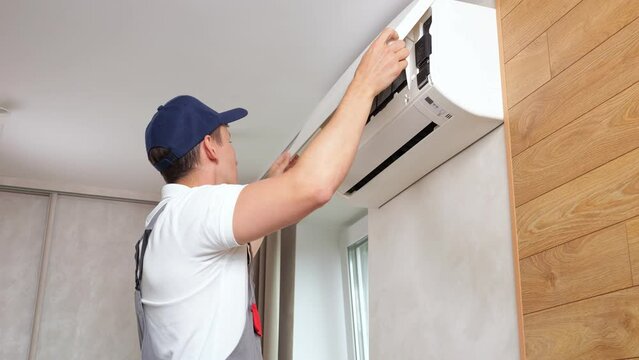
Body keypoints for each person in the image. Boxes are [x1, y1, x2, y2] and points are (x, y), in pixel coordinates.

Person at [134, 27, 409, 360]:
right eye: (230, 141)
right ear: (210, 147)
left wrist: (274, 188)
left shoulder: (161, 228)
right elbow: (315, 187)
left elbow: (241, 247)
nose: (234, 155)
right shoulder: (192, 212)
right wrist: (364, 84)